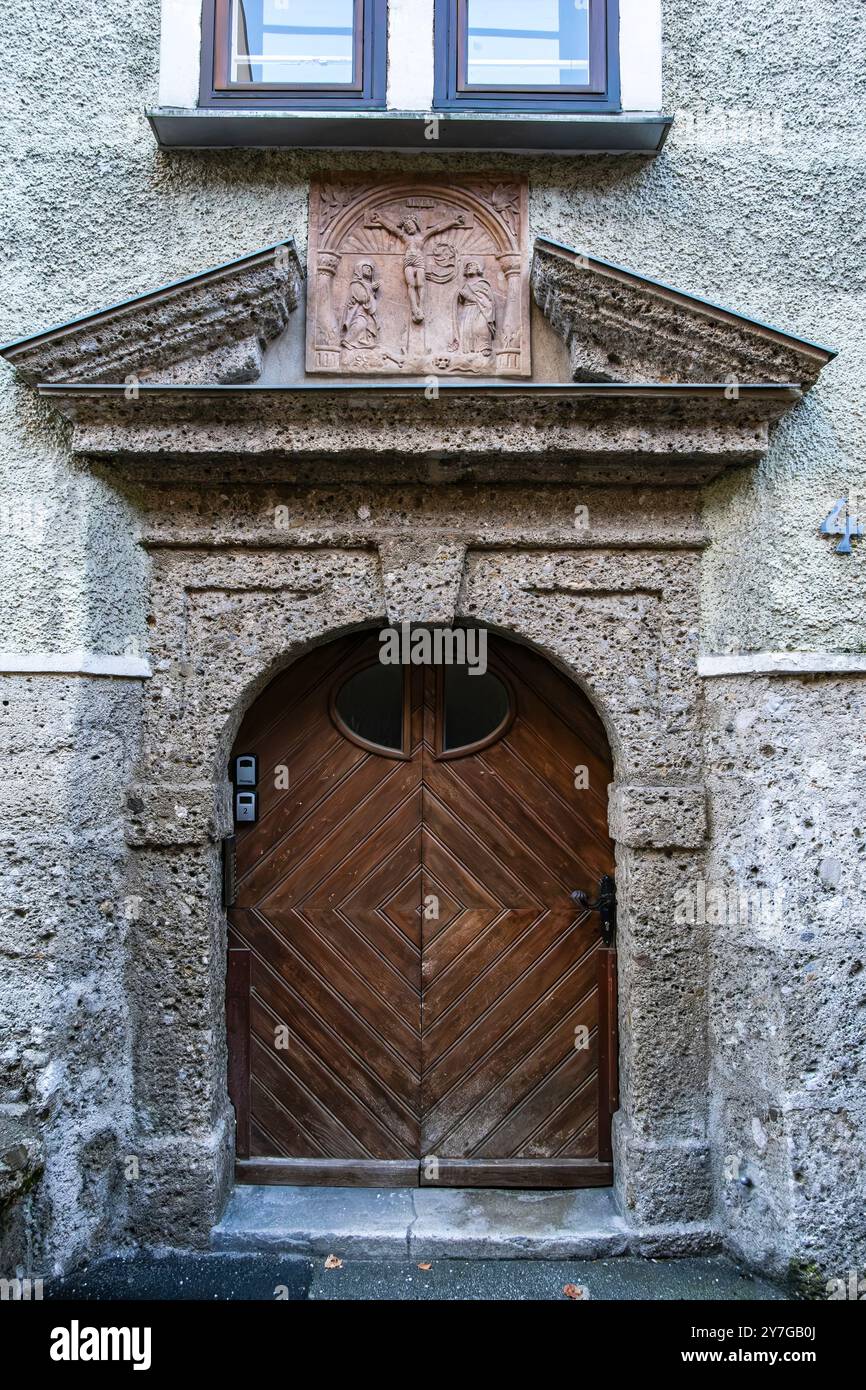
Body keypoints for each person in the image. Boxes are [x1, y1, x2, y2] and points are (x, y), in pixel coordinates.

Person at [452, 261, 496, 355]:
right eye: (468, 266)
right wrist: (460, 295)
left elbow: (488, 300)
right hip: (467, 310)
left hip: (480, 309)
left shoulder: (483, 283)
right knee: (467, 330)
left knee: (480, 328)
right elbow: (461, 301)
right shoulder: (465, 284)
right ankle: (468, 351)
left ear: (478, 268)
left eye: (472, 265)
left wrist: (470, 297)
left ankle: (484, 348)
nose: (469, 267)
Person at [340, 260, 380, 350]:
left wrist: (372, 289)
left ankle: (363, 340)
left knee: (369, 325)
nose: (369, 270)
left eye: (370, 269)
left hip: (367, 312)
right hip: (357, 311)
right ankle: (347, 340)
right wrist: (371, 289)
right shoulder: (356, 284)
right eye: (366, 268)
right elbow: (362, 298)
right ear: (359, 269)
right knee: (360, 324)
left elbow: (370, 299)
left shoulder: (368, 284)